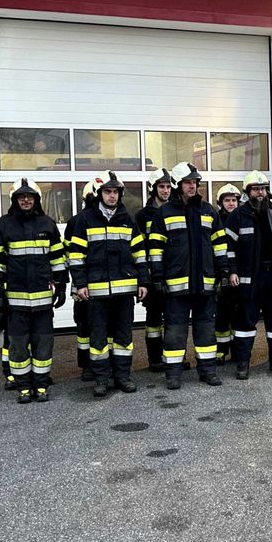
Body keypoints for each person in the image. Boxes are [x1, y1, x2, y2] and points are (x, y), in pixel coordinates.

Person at [0, 178, 67, 403]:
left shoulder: (47, 224)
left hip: (42, 301)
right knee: (18, 344)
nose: (26, 200)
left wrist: (61, 285)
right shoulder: (3, 225)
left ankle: (40, 385)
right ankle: (23, 386)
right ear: (15, 200)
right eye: (22, 196)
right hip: (15, 301)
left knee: (44, 342)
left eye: (30, 196)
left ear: (37, 199)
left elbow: (58, 258)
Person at [68, 171, 148, 397]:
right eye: (108, 192)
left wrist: (143, 282)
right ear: (98, 194)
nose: (112, 196)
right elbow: (76, 256)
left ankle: (123, 376)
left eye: (115, 192)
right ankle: (101, 378)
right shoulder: (85, 220)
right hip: (96, 292)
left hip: (124, 292)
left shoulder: (127, 220)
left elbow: (140, 254)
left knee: (123, 336)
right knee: (98, 337)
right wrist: (80, 284)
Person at [148, 162, 227, 391]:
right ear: (177, 185)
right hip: (175, 287)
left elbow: (219, 244)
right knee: (174, 331)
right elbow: (155, 248)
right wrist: (157, 277)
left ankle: (208, 371)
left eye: (195, 182)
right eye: (187, 182)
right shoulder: (164, 213)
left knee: (205, 330)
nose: (192, 186)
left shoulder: (208, 210)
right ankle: (173, 374)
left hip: (205, 284)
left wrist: (222, 273)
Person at [224, 171, 272, 379]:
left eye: (263, 189)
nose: (261, 193)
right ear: (248, 192)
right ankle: (242, 363)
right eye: (256, 189)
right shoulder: (237, 216)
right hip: (249, 280)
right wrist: (232, 271)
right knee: (245, 323)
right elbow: (228, 248)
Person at [135, 168, 173, 372]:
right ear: (153, 189)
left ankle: (174, 357)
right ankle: (154, 358)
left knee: (174, 318)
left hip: (174, 274)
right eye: (161, 187)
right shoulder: (143, 216)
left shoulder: (177, 210)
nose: (166, 191)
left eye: (168, 186)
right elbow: (139, 248)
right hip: (152, 274)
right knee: (153, 320)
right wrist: (144, 277)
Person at [64, 180, 97, 381]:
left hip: (100, 283)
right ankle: (87, 366)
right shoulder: (76, 222)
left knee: (101, 327)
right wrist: (78, 283)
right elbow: (71, 256)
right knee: (84, 327)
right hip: (82, 285)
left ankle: (100, 364)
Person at [214, 184, 241, 363]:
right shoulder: (216, 220)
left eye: (234, 200)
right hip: (220, 274)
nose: (231, 204)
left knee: (238, 316)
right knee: (222, 316)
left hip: (239, 274)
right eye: (227, 200)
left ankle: (237, 352)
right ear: (221, 202)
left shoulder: (244, 219)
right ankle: (221, 351)